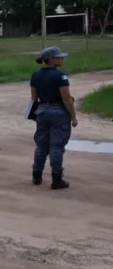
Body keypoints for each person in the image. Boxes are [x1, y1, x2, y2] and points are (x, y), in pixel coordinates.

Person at [30, 46, 77, 190]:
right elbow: (66, 98)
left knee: (41, 145)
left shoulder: (35, 75)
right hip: (59, 112)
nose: (62, 58)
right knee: (56, 146)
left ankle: (36, 176)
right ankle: (57, 179)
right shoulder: (60, 76)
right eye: (59, 57)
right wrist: (73, 117)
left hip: (42, 110)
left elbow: (33, 98)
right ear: (51, 59)